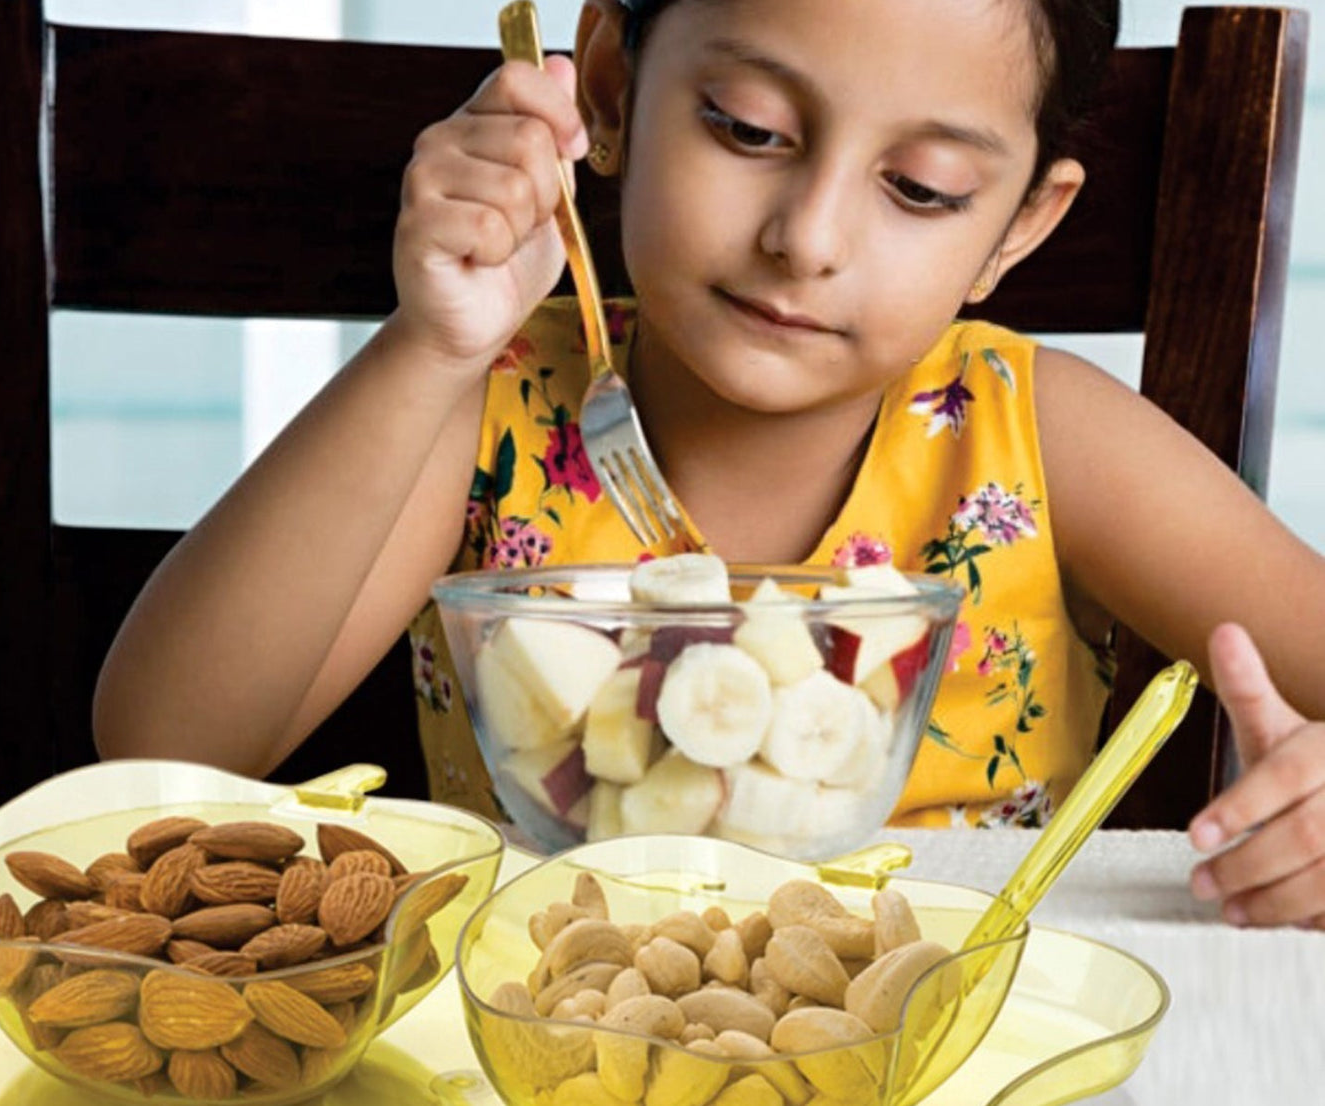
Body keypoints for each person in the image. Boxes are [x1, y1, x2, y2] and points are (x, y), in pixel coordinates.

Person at [94, 0, 1325, 928]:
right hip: (541, 1025)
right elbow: (162, 740)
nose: (809, 236)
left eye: (922, 186)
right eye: (750, 128)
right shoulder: (493, 407)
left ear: (1020, 225)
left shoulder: (1038, 436)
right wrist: (429, 347)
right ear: (615, 90)